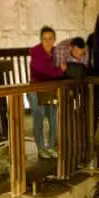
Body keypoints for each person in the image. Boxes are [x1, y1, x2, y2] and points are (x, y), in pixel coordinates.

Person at [29, 26, 65, 159]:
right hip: (36, 89)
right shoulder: (36, 52)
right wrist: (60, 71)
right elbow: (44, 71)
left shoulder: (56, 52)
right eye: (45, 39)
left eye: (50, 38)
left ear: (54, 39)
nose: (48, 41)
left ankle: (51, 146)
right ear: (41, 40)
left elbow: (61, 65)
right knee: (38, 118)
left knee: (53, 118)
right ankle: (41, 148)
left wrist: (60, 71)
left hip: (51, 89)